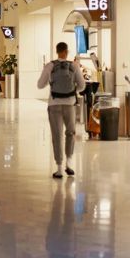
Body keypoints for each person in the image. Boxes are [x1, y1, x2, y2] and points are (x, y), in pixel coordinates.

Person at [37, 42, 85, 179]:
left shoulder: (50, 66)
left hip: (54, 104)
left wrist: (50, 82)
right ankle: (69, 163)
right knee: (70, 132)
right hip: (70, 104)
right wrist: (73, 89)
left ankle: (58, 168)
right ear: (67, 51)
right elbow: (82, 86)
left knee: (57, 135)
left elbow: (40, 85)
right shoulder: (74, 66)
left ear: (57, 51)